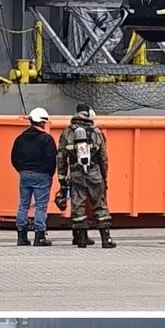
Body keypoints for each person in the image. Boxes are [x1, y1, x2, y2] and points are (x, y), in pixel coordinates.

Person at [56, 104, 116, 248]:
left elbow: (61, 158)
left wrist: (62, 180)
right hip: (94, 172)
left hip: (76, 172)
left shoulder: (67, 132)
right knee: (100, 204)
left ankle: (81, 239)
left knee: (78, 205)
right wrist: (104, 176)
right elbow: (103, 157)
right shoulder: (96, 132)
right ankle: (106, 240)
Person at [10, 107, 57, 246]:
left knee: (23, 205)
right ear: (42, 123)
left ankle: (21, 236)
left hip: (24, 174)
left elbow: (14, 158)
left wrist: (22, 170)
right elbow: (52, 159)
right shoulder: (47, 139)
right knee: (41, 206)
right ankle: (40, 236)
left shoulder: (20, 139)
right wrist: (49, 173)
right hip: (42, 175)